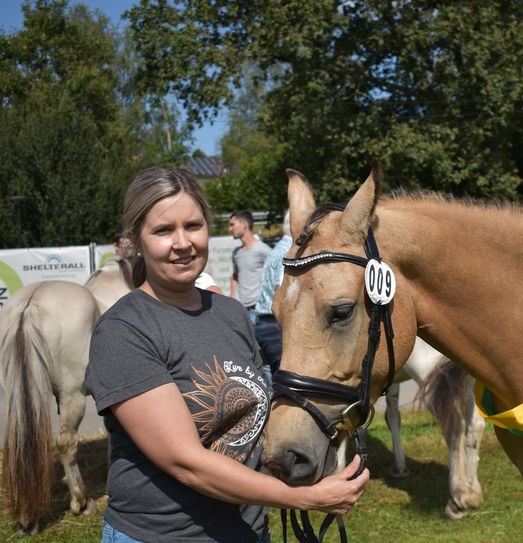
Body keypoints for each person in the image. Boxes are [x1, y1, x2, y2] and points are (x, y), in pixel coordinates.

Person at [84, 167, 368, 543]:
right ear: (137, 238)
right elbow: (187, 463)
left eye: (193, 225)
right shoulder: (125, 330)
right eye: (163, 231)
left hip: (247, 532)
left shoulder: (230, 313)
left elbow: (254, 425)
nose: (182, 242)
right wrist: (301, 497)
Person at [253, 210, 293, 389]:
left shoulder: (277, 249)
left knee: (270, 387)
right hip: (275, 325)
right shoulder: (290, 252)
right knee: (283, 388)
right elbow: (281, 290)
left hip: (262, 322)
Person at [229, 210, 271, 323]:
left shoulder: (263, 250)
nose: (230, 229)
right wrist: (233, 300)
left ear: (244, 225)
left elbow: (275, 274)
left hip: (257, 308)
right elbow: (235, 276)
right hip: (239, 309)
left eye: (232, 224)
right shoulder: (236, 253)